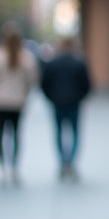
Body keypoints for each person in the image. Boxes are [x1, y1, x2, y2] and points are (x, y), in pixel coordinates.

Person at [40, 36, 92, 181]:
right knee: (75, 133)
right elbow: (87, 85)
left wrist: (51, 98)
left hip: (58, 103)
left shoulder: (52, 63)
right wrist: (79, 98)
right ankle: (71, 161)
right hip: (74, 103)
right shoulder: (79, 63)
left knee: (59, 132)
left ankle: (63, 161)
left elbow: (44, 84)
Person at [0, 22, 40, 186]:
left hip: (1, 103)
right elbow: (32, 80)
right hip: (18, 103)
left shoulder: (1, 57)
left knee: (1, 136)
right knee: (16, 135)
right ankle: (14, 169)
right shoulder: (27, 58)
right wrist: (24, 93)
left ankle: (3, 169)